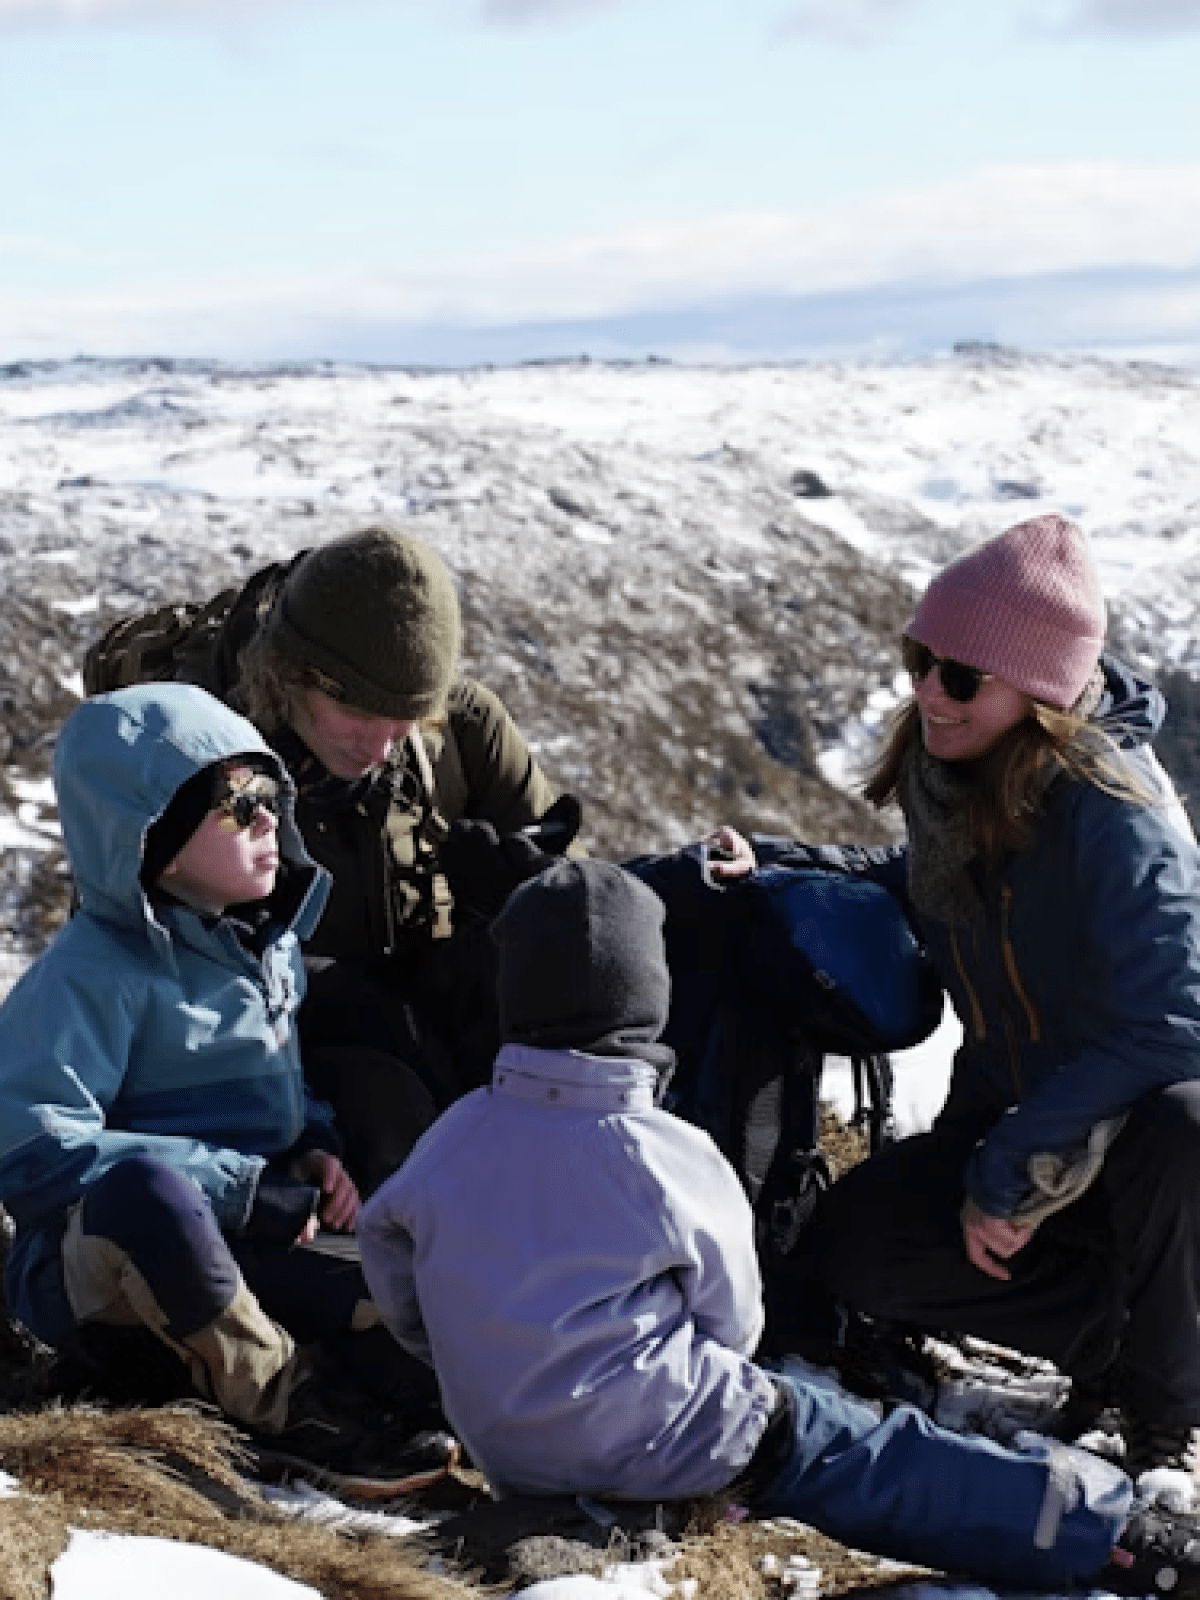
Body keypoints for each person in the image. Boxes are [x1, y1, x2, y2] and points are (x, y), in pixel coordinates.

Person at [356, 856, 1200, 1594]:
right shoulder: (664, 1150)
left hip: (506, 1448)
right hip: (675, 1429)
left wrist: (473, 1351)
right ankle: (1113, 1533)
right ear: (648, 996)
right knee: (879, 1456)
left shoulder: (456, 1134)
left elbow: (390, 1258)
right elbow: (737, 1314)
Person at [796, 513, 1200, 1479]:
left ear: (1043, 689)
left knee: (1187, 1125)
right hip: (1018, 1128)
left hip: (1128, 1154)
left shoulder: (1116, 816)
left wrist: (1010, 1169)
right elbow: (924, 883)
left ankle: (1163, 1412)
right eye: (921, 660)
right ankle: (1117, 1328)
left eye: (963, 676)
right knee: (855, 1250)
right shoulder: (967, 781)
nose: (931, 690)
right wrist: (780, 864)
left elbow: (1179, 1024)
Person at [0, 682, 455, 1492]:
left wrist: (313, 1148)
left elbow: (284, 1091)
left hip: (247, 1237)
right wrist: (239, 1188)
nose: (271, 824)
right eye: (238, 808)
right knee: (152, 1196)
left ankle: (220, 1381)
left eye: (272, 798)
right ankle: (292, 1412)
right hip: (105, 1265)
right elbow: (34, 1153)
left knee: (403, 1311)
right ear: (154, 840)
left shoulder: (267, 948)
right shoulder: (88, 977)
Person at [123, 524, 575, 1195]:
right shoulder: (194, 763)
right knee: (394, 1123)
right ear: (291, 677)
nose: (385, 745)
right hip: (271, 1079)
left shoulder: (462, 729)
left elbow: (590, 930)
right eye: (359, 713)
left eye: (408, 717)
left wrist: (534, 897)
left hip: (444, 1042)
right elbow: (129, 982)